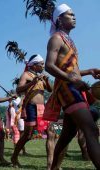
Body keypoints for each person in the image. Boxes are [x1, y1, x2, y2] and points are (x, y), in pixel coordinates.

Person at [45, 3, 100, 169]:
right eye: (70, 14)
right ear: (60, 20)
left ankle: (53, 167)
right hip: (67, 90)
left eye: (74, 14)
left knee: (67, 134)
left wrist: (88, 71)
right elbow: (49, 65)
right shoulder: (56, 38)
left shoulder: (68, 40)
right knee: (91, 129)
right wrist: (72, 79)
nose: (74, 17)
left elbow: (71, 71)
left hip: (73, 87)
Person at [11, 54, 52, 168]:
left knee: (50, 133)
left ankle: (50, 164)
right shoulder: (26, 75)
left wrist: (47, 81)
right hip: (31, 107)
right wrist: (32, 82)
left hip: (42, 108)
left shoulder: (41, 76)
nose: (43, 66)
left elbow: (50, 89)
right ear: (34, 65)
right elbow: (18, 89)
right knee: (28, 135)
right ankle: (14, 157)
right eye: (41, 64)